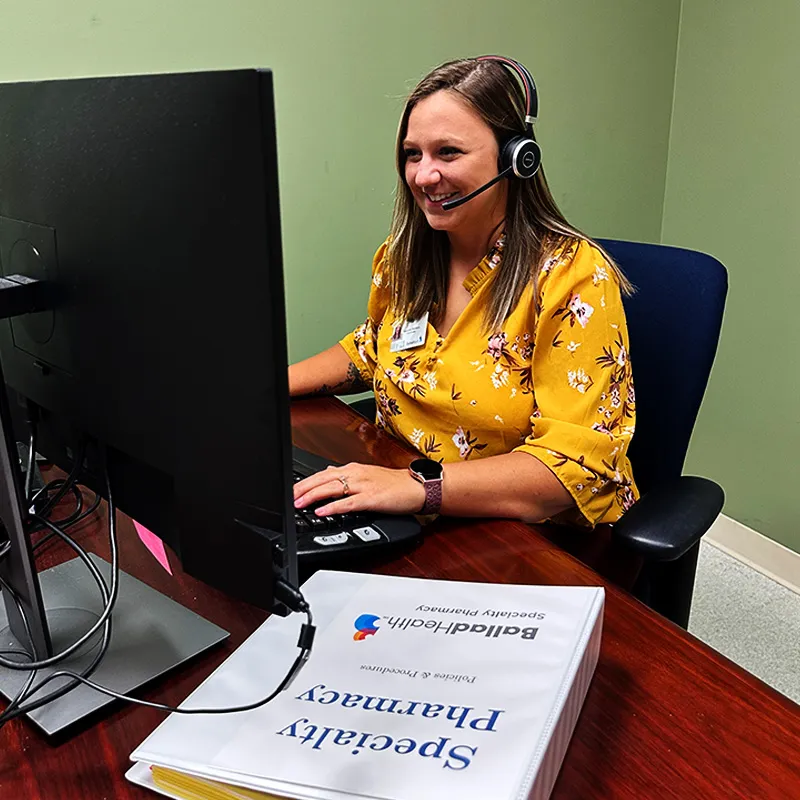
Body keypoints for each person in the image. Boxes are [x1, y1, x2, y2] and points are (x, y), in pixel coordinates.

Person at [289, 56, 638, 527]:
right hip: (409, 500)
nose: (423, 175)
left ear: (517, 158)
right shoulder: (404, 256)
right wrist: (264, 387)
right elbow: (371, 349)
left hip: (529, 533)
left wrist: (416, 489)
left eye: (448, 152)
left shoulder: (571, 276)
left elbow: (571, 470)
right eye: (413, 154)